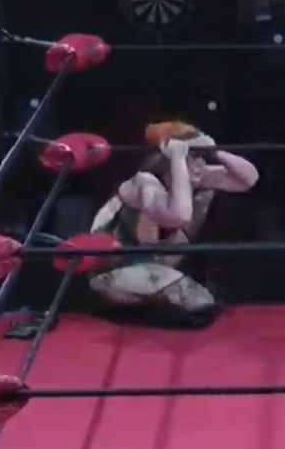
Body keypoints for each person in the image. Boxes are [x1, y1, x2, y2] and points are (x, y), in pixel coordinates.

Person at [86, 122, 260, 328]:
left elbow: (248, 179)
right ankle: (134, 307)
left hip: (153, 260)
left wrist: (215, 152)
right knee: (198, 304)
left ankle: (152, 304)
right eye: (192, 156)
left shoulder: (195, 173)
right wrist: (178, 156)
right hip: (113, 270)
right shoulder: (143, 183)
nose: (199, 164)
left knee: (203, 304)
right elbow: (179, 215)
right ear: (166, 159)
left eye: (200, 156)